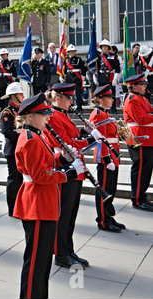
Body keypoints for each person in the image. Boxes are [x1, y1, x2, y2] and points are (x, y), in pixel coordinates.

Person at [14, 92, 84, 299]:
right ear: (29, 116)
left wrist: (61, 158)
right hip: (37, 204)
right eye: (43, 114)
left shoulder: (36, 136)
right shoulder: (31, 139)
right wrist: (70, 173)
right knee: (36, 260)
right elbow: (41, 175)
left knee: (43, 260)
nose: (48, 117)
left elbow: (43, 163)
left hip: (43, 202)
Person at [43, 82, 103, 269]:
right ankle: (61, 253)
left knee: (71, 214)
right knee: (63, 214)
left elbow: (75, 136)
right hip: (65, 167)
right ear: (58, 98)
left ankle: (68, 249)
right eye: (69, 98)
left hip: (75, 168)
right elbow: (67, 143)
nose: (72, 101)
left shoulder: (64, 115)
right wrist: (91, 138)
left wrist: (85, 131)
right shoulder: (52, 117)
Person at [88, 84, 126, 232]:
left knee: (112, 188)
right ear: (101, 99)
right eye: (109, 97)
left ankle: (109, 216)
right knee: (104, 189)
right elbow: (100, 140)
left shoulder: (105, 114)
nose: (112, 99)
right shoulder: (97, 114)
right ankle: (103, 220)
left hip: (113, 155)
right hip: (106, 158)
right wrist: (107, 158)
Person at [122, 74, 153, 211]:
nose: (145, 86)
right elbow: (141, 119)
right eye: (142, 84)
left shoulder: (142, 98)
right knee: (140, 169)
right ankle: (138, 199)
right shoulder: (132, 99)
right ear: (133, 86)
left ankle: (142, 197)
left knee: (146, 169)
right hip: (139, 138)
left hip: (146, 137)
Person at [0, 82, 24, 217]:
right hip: (12, 149)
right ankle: (12, 208)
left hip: (22, 149)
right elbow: (7, 131)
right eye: (20, 94)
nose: (23, 96)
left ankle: (20, 206)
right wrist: (22, 134)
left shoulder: (22, 110)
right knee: (14, 179)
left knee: (21, 179)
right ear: (14, 96)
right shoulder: (7, 112)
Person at [95, 40, 120, 114]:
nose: (104, 48)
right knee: (100, 94)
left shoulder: (113, 56)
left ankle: (113, 109)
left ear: (108, 47)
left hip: (110, 77)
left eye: (106, 47)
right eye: (103, 47)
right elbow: (96, 67)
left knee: (111, 94)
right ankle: (101, 108)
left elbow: (117, 68)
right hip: (101, 77)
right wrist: (95, 77)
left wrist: (115, 78)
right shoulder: (99, 57)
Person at [64, 44, 87, 113]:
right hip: (69, 77)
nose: (72, 53)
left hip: (77, 77)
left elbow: (83, 68)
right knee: (69, 94)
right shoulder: (66, 60)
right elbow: (64, 70)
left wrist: (83, 76)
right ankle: (70, 107)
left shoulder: (79, 59)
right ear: (68, 52)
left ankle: (79, 107)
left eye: (73, 51)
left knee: (78, 93)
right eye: (70, 51)